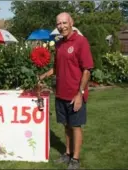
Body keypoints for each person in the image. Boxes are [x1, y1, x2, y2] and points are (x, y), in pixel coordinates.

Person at [39, 12, 94, 169]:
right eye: (58, 23)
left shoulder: (81, 42)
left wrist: (80, 94)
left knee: (75, 126)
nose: (61, 26)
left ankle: (75, 159)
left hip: (75, 94)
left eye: (64, 23)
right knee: (66, 125)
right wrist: (43, 76)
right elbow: (56, 68)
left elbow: (87, 70)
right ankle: (67, 153)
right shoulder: (59, 44)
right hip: (61, 93)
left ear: (71, 23)